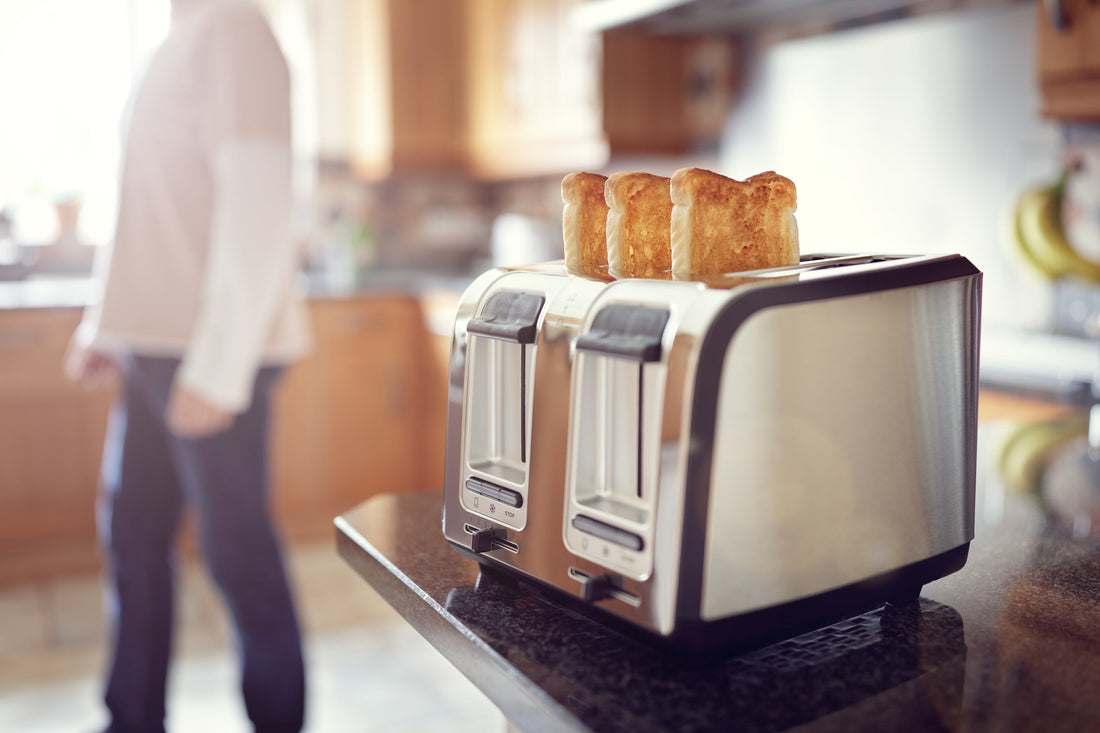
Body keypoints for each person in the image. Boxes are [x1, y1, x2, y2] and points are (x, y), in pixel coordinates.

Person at [65, 0, 311, 731]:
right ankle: (130, 717)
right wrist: (108, 323)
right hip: (153, 348)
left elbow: (259, 209)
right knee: (133, 541)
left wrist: (221, 371)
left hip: (208, 356)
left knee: (237, 557)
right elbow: (145, 202)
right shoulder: (166, 47)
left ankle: (278, 722)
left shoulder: (238, 32)